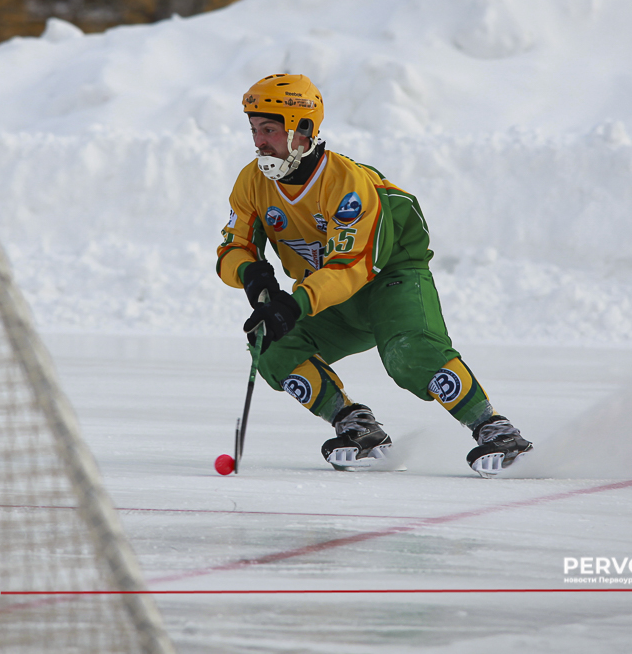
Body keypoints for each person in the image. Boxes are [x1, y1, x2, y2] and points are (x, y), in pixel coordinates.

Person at [217, 73, 533, 476]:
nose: (259, 141)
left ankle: (496, 430)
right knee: (271, 347)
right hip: (328, 294)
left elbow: (349, 268)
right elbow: (232, 246)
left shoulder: (347, 184)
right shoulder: (252, 181)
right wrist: (251, 275)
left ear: (302, 131)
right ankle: (355, 425)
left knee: (408, 353)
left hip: (388, 278)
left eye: (270, 130)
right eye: (255, 130)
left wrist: (293, 303)